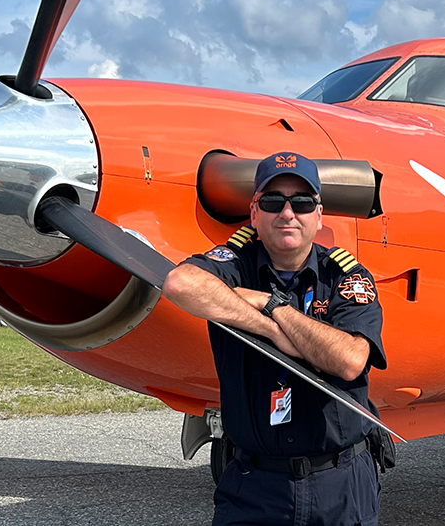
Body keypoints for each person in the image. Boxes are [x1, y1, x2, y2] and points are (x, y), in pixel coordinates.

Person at [163, 151, 388, 526]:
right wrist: (273, 333)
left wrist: (273, 305)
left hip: (340, 484)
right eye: (272, 201)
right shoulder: (234, 264)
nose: (287, 213)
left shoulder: (345, 276)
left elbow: (349, 360)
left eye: (301, 202)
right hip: (254, 485)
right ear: (254, 213)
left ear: (318, 215)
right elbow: (180, 283)